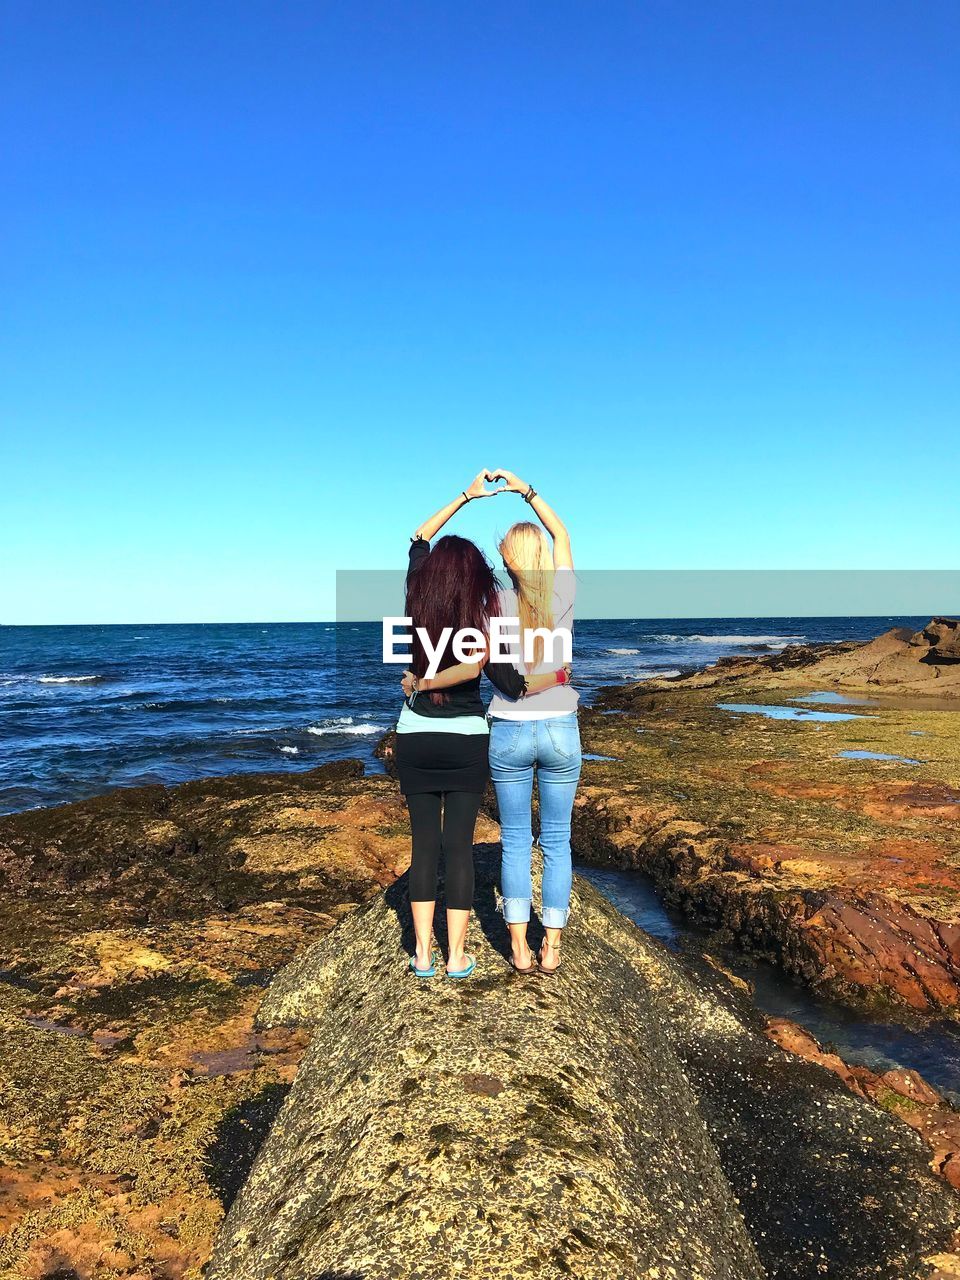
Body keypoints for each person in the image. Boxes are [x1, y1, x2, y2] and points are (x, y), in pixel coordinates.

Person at [397, 472, 570, 979]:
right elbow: (481, 669)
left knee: (430, 845)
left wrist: (466, 496)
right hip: (478, 734)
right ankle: (471, 956)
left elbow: (417, 537)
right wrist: (528, 492)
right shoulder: (495, 602)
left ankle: (428, 956)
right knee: (478, 846)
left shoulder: (432, 596)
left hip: (431, 733)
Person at [484, 469, 580, 975]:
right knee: (558, 839)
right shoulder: (562, 591)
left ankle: (518, 948)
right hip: (561, 722)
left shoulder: (494, 603)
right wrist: (526, 489)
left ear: (506, 560)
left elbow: (487, 662)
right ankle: (552, 949)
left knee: (516, 840)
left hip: (509, 727)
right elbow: (562, 533)